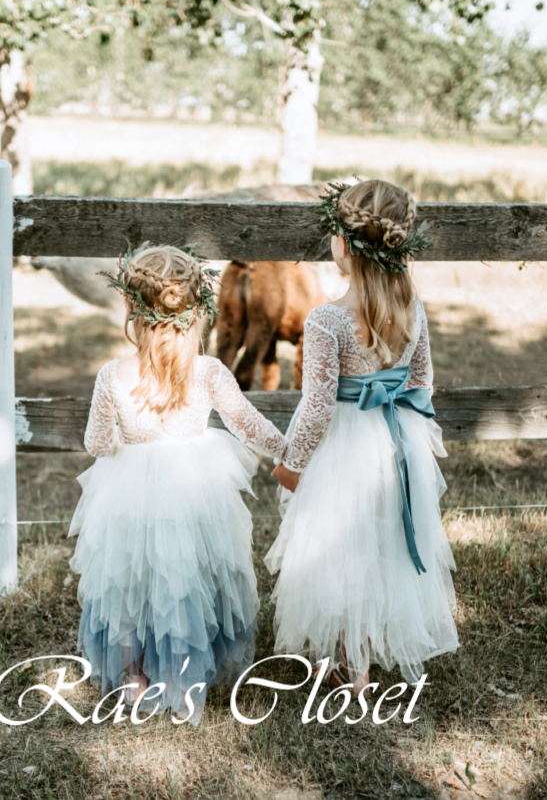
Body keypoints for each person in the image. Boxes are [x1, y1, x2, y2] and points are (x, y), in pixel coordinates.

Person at [68, 244, 288, 724]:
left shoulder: (113, 376)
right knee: (193, 579)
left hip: (130, 492)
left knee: (126, 583)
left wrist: (127, 437)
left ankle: (132, 679)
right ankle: (184, 674)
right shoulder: (209, 371)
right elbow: (249, 425)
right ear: (198, 307)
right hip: (196, 490)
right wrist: (291, 450)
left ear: (131, 308)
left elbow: (97, 444)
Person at [266, 180, 459, 694]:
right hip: (398, 442)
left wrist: (293, 464)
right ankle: (362, 663)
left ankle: (350, 663)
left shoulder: (327, 319)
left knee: (339, 545)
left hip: (342, 448)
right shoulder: (412, 309)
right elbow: (422, 383)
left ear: (345, 246)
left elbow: (316, 406)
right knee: (383, 543)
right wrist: (412, 433)